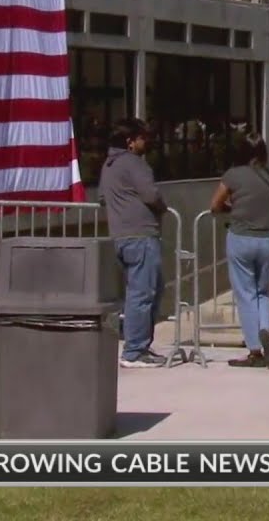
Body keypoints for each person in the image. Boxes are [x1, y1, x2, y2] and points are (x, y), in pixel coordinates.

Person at [208, 133, 269, 369]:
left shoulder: (233, 174)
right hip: (268, 238)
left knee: (245, 293)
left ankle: (255, 349)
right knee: (263, 292)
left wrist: (232, 208)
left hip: (241, 237)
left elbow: (214, 205)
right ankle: (266, 331)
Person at [99, 118, 169, 368]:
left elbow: (102, 198)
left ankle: (136, 346)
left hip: (120, 236)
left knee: (137, 293)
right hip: (141, 237)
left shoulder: (109, 165)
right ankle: (135, 351)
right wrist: (162, 207)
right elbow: (151, 194)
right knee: (144, 293)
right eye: (142, 138)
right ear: (130, 142)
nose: (146, 142)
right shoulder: (134, 164)